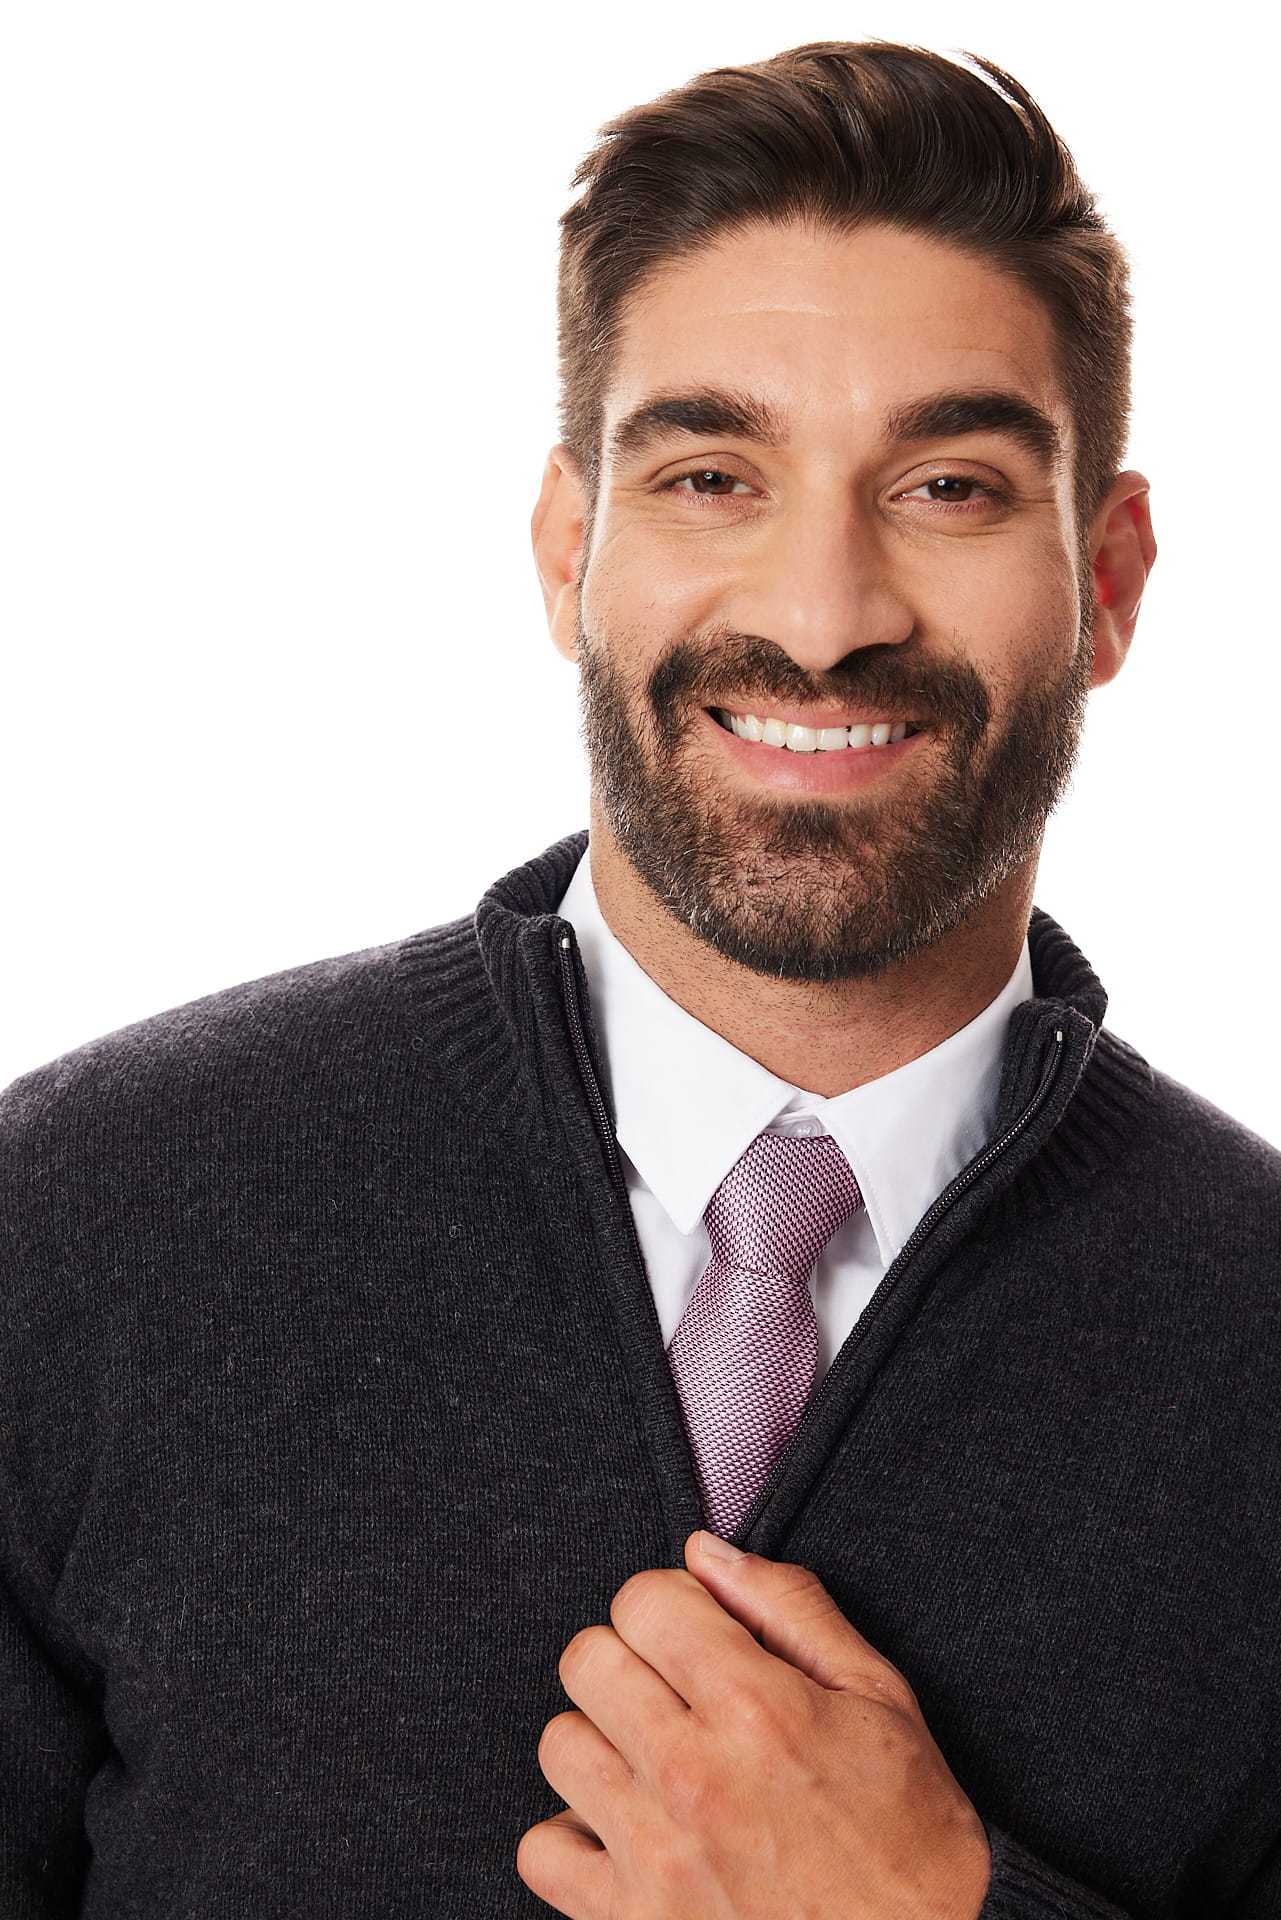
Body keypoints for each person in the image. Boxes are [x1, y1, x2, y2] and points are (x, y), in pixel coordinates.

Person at [1, 35, 1278, 1920]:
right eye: (709, 475)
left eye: (945, 485)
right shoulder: (78, 1224)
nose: (822, 616)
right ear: (566, 550)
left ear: (1108, 579)